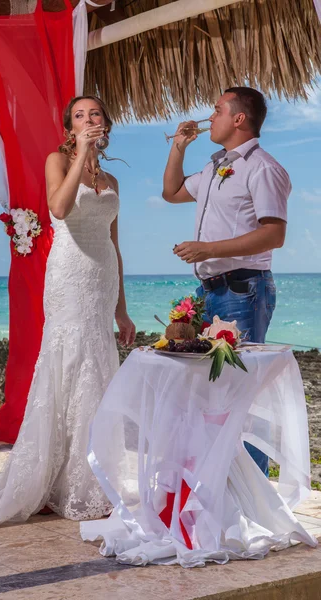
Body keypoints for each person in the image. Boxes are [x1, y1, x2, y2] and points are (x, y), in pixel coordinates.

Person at [0, 95, 135, 528]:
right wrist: (80, 155)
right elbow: (58, 208)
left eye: (95, 114)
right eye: (79, 116)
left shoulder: (111, 177)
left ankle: (88, 478)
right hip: (69, 276)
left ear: (106, 123)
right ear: (69, 127)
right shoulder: (57, 161)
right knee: (68, 363)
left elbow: (114, 245)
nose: (88, 119)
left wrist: (123, 311)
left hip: (102, 280)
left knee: (97, 367)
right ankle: (51, 478)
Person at [162, 87, 291, 476]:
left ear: (238, 119)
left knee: (243, 397)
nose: (210, 116)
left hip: (243, 291)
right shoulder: (215, 166)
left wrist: (208, 250)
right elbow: (170, 193)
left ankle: (252, 495)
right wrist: (179, 147)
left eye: (217, 110)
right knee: (214, 394)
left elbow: (274, 235)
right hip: (212, 292)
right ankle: (220, 485)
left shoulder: (263, 168)